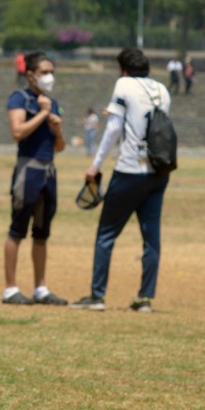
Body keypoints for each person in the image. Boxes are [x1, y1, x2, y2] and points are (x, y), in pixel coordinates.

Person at [71, 48, 172, 314]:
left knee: (106, 233)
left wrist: (95, 165)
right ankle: (145, 298)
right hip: (159, 171)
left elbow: (115, 128)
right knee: (151, 237)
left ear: (123, 68)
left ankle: (97, 295)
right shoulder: (162, 89)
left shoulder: (124, 84)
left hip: (130, 169)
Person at [3, 51, 67, 306]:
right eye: (44, 72)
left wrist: (57, 130)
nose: (49, 77)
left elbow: (59, 146)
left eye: (52, 72)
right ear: (30, 75)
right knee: (17, 229)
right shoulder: (20, 98)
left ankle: (41, 287)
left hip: (48, 170)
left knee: (42, 233)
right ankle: (10, 288)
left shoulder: (52, 102)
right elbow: (17, 131)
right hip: (27, 169)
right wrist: (42, 114)